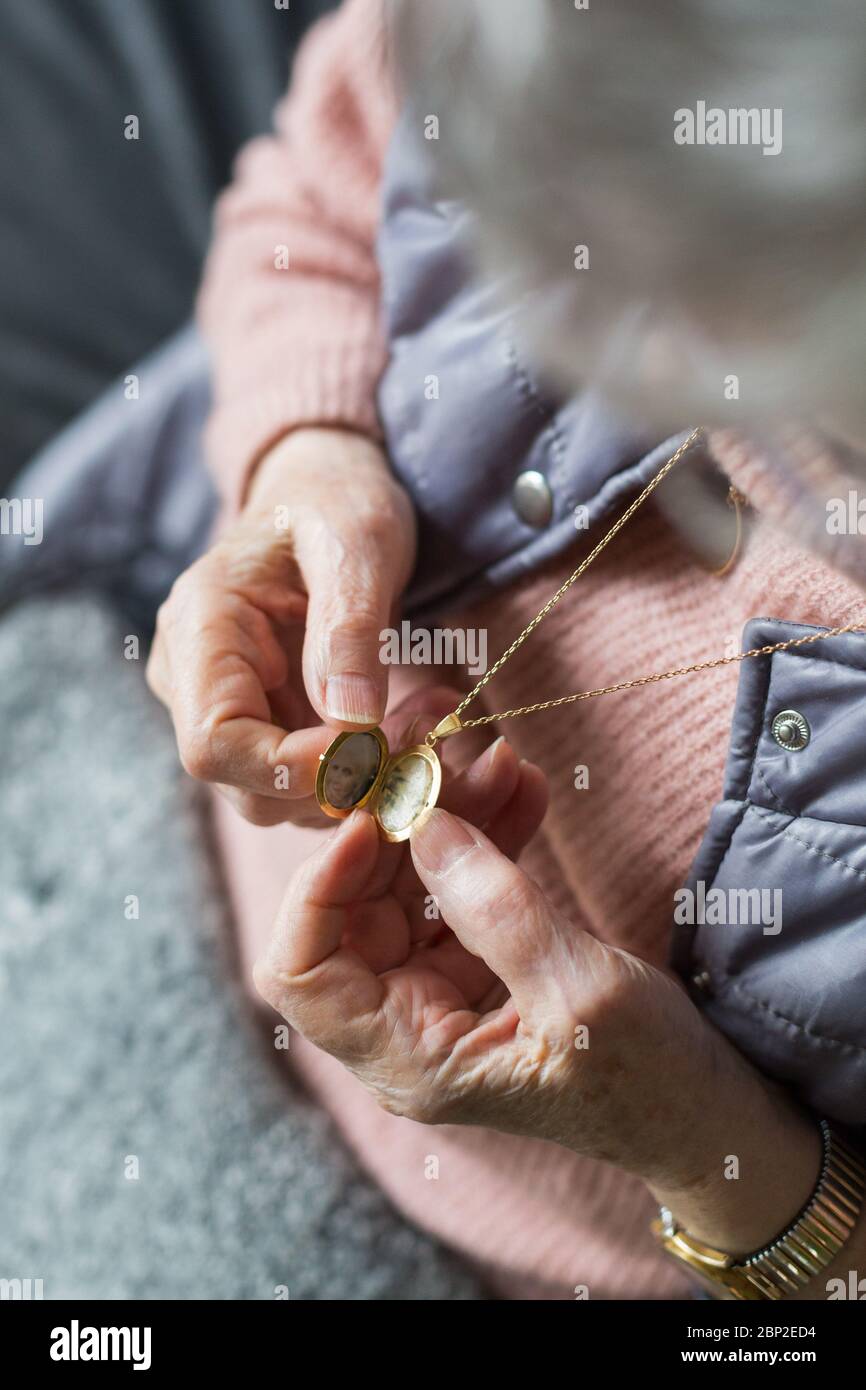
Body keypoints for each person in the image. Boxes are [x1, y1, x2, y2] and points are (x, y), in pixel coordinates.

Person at [147, 0, 866, 1299]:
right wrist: (301, 449)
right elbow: (318, 180)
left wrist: (709, 1147)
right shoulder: (542, 37)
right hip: (121, 713)